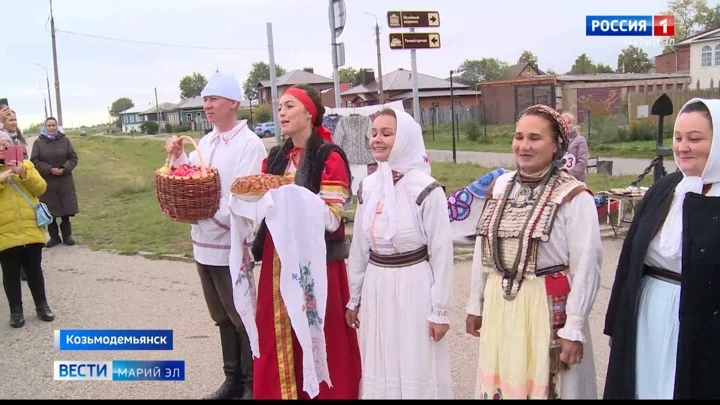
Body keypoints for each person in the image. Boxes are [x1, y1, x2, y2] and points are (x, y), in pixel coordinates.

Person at [465, 104, 602, 399]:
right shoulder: (500, 187)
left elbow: (587, 266)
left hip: (547, 305)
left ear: (556, 146)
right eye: (518, 137)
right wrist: (475, 303)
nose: (524, 146)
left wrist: (574, 327)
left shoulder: (574, 196)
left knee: (549, 386)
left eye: (535, 138)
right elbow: (483, 249)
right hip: (502, 306)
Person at [250, 84, 362, 400]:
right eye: (280, 107)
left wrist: (291, 198)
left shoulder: (330, 157)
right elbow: (261, 205)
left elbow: (331, 219)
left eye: (289, 106)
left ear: (309, 114)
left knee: (321, 332)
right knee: (277, 334)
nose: (281, 112)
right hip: (277, 259)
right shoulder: (275, 157)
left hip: (318, 263)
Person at [604, 98, 720, 400]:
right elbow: (629, 259)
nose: (683, 147)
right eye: (678, 138)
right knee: (643, 384)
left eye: (695, 139)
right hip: (646, 310)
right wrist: (618, 321)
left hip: (701, 326)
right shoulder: (665, 189)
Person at [164, 72, 267, 400]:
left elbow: (246, 194)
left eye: (214, 99)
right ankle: (232, 380)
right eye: (205, 100)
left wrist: (212, 214)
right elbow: (191, 175)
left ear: (233, 103)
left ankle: (253, 384)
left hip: (229, 240)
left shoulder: (249, 143)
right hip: (202, 240)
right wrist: (178, 155)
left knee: (240, 314)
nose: (207, 105)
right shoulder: (206, 141)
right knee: (220, 315)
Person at [344, 108, 454, 399]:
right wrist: (353, 298)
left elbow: (442, 253)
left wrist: (439, 311)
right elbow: (359, 248)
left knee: (415, 359)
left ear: (404, 138)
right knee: (380, 358)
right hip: (377, 286)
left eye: (387, 133)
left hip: (414, 286)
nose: (377, 140)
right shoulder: (369, 186)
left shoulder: (426, 189)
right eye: (375, 133)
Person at [0, 130, 54, 328]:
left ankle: (42, 306)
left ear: (13, 146)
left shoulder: (27, 164)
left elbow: (41, 188)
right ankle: (16, 311)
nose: (1, 148)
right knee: (10, 273)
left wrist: (23, 173)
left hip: (30, 228)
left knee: (34, 270)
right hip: (4, 232)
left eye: (5, 144)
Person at [30, 117, 79, 247]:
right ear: (44, 127)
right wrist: (50, 169)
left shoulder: (65, 140)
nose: (51, 128)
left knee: (65, 210)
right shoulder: (38, 143)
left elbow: (73, 158)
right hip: (48, 182)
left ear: (56, 126)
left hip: (64, 180)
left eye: (53, 125)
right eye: (49, 125)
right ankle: (54, 237)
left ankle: (67, 236)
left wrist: (64, 168)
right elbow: (34, 161)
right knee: (50, 210)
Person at [0, 107, 29, 281]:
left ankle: (27, 265)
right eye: (9, 119)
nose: (13, 122)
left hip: (22, 183)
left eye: (15, 119)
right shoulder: (3, 136)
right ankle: (16, 266)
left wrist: (26, 172)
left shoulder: (19, 138)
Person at [560, 112, 588, 182]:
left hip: (575, 180)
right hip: (559, 181)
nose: (566, 125)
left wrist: (568, 175)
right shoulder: (557, 140)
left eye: (569, 123)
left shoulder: (580, 140)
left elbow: (582, 163)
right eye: (564, 123)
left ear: (573, 125)